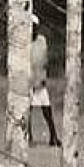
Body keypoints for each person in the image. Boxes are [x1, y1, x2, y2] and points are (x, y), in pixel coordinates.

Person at [29, 15, 59, 146]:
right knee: (27, 110)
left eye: (35, 27)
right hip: (28, 81)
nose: (33, 30)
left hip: (40, 80)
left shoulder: (42, 40)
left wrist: (43, 77)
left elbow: (44, 60)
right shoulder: (23, 43)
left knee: (47, 109)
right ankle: (28, 137)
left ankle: (53, 137)